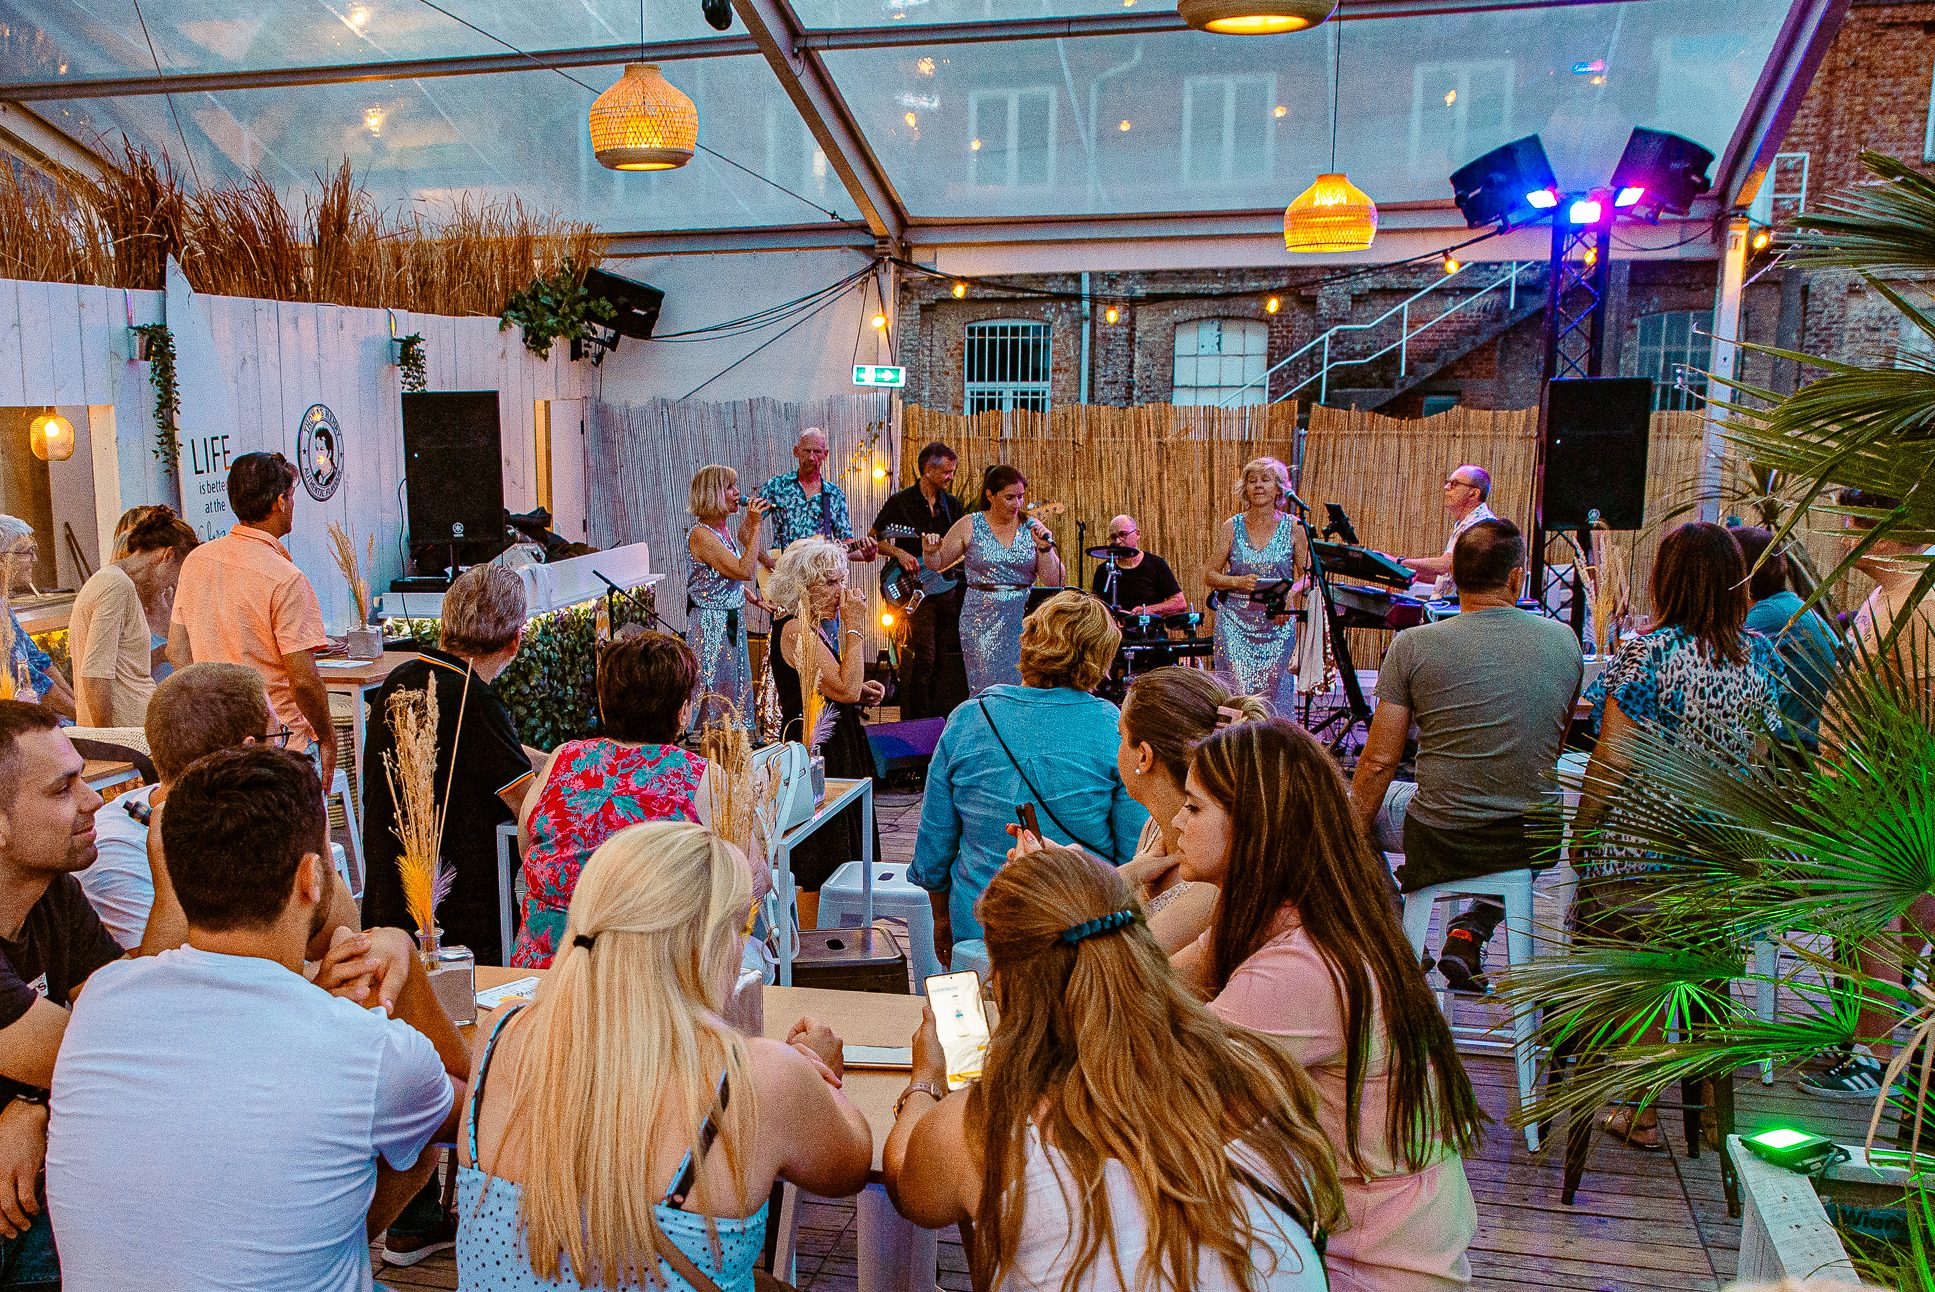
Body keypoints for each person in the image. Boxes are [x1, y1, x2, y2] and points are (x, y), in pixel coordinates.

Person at [46, 744, 469, 1291]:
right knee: (416, 1135)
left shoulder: (102, 999)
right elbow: (475, 1114)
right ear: (311, 878)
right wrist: (402, 953)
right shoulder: (368, 1052)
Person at [883, 843, 1341, 1291]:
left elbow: (907, 1186)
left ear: (1006, 985)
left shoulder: (987, 1127)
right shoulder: (1259, 1074)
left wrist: (925, 1080)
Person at [457, 821, 873, 1291]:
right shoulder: (761, 1077)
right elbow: (851, 1165)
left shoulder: (501, 1031)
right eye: (741, 927)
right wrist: (815, 1073)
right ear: (705, 945)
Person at [1172, 717, 1484, 1292]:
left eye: (1193, 808)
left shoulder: (1300, 967)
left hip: (1374, 1261)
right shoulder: (1294, 915)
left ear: (1255, 826)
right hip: (1359, 1227)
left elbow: (1167, 1086)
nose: (1175, 822)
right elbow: (1161, 984)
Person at [1574, 520, 1784, 1138]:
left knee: (1630, 961)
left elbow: (1612, 757)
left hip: (1642, 852)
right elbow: (1761, 758)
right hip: (1719, 859)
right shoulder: (1760, 657)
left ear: (1666, 581)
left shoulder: (1648, 653)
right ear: (1735, 584)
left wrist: (1582, 832)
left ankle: (1638, 1108)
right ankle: (1713, 1116)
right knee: (1707, 972)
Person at [1349, 519, 1583, 992]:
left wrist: (1346, 833)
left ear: (1453, 576)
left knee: (1345, 811)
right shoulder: (1564, 641)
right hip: (1529, 840)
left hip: (1440, 838)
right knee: (1532, 813)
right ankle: (1472, 928)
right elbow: (1549, 745)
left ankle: (1400, 943)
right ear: (1516, 577)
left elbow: (1377, 763)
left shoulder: (1413, 645)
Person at [910, 591, 1144, 962]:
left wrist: (940, 918)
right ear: (1100, 657)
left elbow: (934, 844)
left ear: (1029, 641)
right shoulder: (1113, 728)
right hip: (1083, 929)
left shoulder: (969, 718)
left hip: (982, 926)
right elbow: (1132, 850)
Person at [511, 632, 740, 969]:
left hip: (545, 973)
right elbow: (745, 880)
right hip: (645, 977)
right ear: (682, 711)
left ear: (605, 703)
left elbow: (526, 845)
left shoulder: (564, 758)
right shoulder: (702, 778)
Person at [362, 564, 538, 968]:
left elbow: (490, 752)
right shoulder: (475, 702)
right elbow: (529, 808)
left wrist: (558, 757)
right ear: (515, 641)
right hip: (457, 925)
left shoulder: (400, 679)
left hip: (385, 908)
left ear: (446, 625)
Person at [0, 700, 120, 1284]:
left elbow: (127, 1013)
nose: (94, 800)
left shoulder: (51, 892)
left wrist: (32, 1107)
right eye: (63, 788)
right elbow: (107, 1061)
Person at [168, 452, 336, 790]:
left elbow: (176, 651)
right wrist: (328, 736)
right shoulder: (286, 578)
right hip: (278, 742)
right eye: (292, 497)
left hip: (216, 739)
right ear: (279, 502)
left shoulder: (197, 561)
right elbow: (304, 681)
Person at [81, 662, 278, 950]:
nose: (285, 753)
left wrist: (313, 830)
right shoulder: (118, 850)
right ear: (248, 751)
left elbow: (329, 934)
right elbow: (156, 973)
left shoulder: (250, 816)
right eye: (279, 737)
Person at [1115, 667, 1268, 954]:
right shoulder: (1156, 826)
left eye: (1120, 735)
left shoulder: (1213, 874)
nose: (1117, 749)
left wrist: (1105, 881)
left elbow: (1131, 965)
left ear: (1144, 756)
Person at [766, 538, 885, 893]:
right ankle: (824, 920)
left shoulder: (809, 625)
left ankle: (848, 915)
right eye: (831, 582)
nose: (841, 592)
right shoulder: (794, 629)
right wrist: (854, 627)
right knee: (826, 851)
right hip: (818, 748)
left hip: (835, 741)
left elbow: (837, 686)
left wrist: (859, 689)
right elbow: (844, 689)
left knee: (848, 841)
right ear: (802, 586)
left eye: (842, 581)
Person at [923, 465, 1064, 696]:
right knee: (987, 687)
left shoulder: (1030, 526)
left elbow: (1054, 580)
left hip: (1025, 619)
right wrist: (929, 552)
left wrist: (1045, 548)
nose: (1017, 503)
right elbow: (937, 563)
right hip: (981, 619)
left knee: (1024, 686)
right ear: (990, 495)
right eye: (1009, 497)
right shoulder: (970, 524)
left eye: (1020, 497)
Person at [67, 508, 198, 727]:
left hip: (137, 727)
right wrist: (108, 739)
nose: (174, 584)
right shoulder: (116, 585)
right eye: (179, 574)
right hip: (128, 733)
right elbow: (95, 675)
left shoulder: (116, 582)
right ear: (167, 555)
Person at [871, 441, 968, 719]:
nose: (951, 477)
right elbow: (874, 539)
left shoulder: (952, 506)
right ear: (928, 470)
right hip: (911, 589)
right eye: (947, 472)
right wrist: (900, 553)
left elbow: (963, 543)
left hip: (945, 589)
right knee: (922, 656)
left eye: (953, 471)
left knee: (944, 659)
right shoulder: (901, 502)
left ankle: (941, 719)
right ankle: (917, 721)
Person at [1206, 458, 1308, 715]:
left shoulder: (1294, 527)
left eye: (1265, 480)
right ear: (1245, 488)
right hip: (1235, 623)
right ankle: (1236, 737)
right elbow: (1209, 574)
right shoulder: (1232, 526)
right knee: (1238, 694)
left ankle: (1273, 738)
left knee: (1274, 695)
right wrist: (1237, 581)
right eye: (1252, 481)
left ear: (1279, 488)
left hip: (1277, 621)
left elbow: (1308, 575)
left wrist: (1292, 594)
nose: (1258, 486)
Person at [1732, 524, 1839, 752]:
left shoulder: (1767, 615)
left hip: (1795, 750)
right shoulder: (1787, 604)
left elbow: (1718, 670)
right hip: (1808, 741)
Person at [685, 465, 767, 733]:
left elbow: (720, 579)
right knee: (714, 682)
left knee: (733, 678)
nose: (737, 492)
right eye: (729, 487)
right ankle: (711, 737)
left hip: (731, 616)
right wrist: (756, 526)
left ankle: (731, 734)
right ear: (713, 493)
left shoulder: (722, 531)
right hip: (711, 622)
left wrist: (747, 596)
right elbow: (744, 571)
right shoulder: (701, 535)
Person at [757, 427, 876, 561]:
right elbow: (745, 532)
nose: (811, 457)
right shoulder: (776, 486)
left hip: (820, 572)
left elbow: (844, 545)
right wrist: (768, 562)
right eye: (806, 451)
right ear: (796, 451)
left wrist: (868, 555)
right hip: (784, 570)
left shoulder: (834, 494)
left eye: (817, 452)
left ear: (825, 454)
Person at [0, 518, 74, 720]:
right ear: (2, 558)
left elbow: (39, 661)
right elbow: (30, 678)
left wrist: (78, 707)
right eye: (27, 552)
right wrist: (80, 715)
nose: (34, 559)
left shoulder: (3, 603)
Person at [1393, 465, 1497, 600]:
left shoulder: (1482, 525)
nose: (1446, 487)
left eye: (1455, 484)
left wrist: (1397, 562)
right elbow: (1448, 577)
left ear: (1474, 493)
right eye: (1448, 482)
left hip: (1463, 609)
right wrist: (1402, 572)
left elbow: (1446, 565)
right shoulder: (1465, 522)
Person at [1090, 514, 1187, 618]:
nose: (1118, 541)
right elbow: (1096, 606)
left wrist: (1147, 610)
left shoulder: (1156, 564)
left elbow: (1179, 603)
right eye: (1114, 537)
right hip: (1115, 628)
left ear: (1137, 534)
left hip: (1148, 627)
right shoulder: (1104, 570)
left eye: (1123, 534)